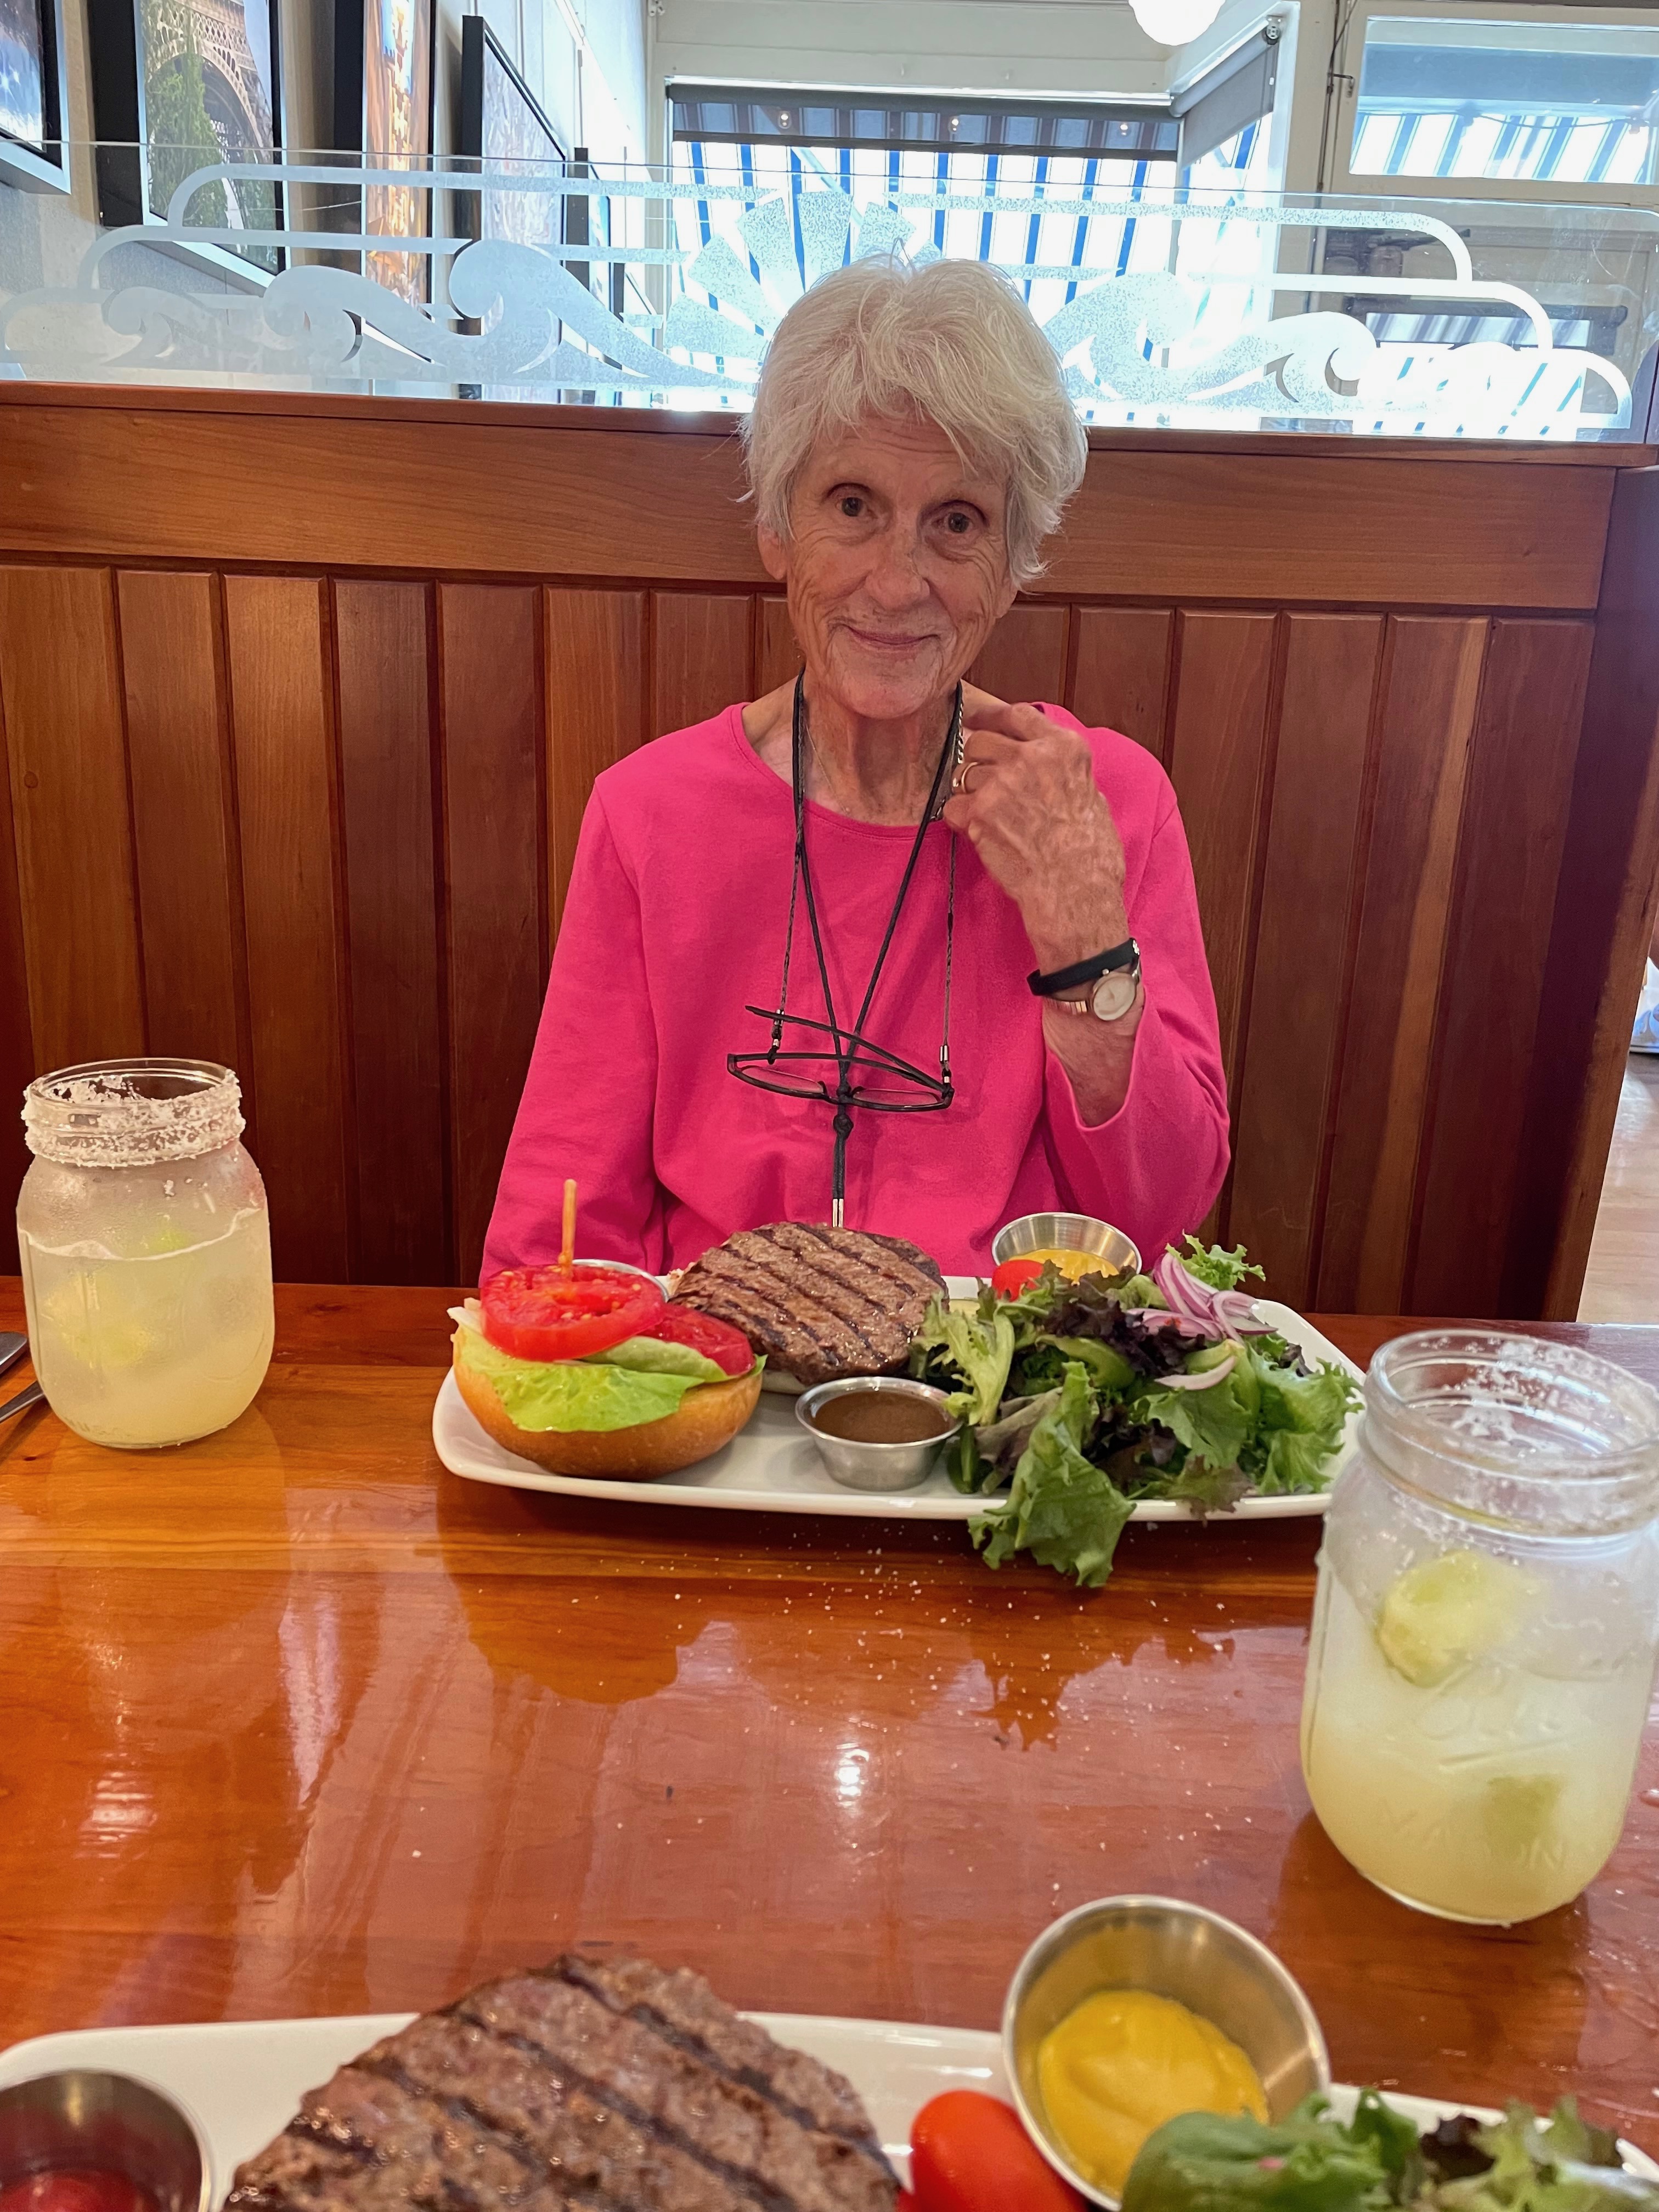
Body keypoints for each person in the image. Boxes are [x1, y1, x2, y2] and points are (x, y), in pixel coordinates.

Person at [484, 256, 1228, 1280]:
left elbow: (1162, 1213)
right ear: (776, 531)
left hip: (1008, 1359)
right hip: (725, 1351)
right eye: (851, 504)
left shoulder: (1108, 803)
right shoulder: (649, 813)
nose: (896, 581)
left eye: (957, 521)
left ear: (1012, 567)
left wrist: (1086, 935)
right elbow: (560, 1228)